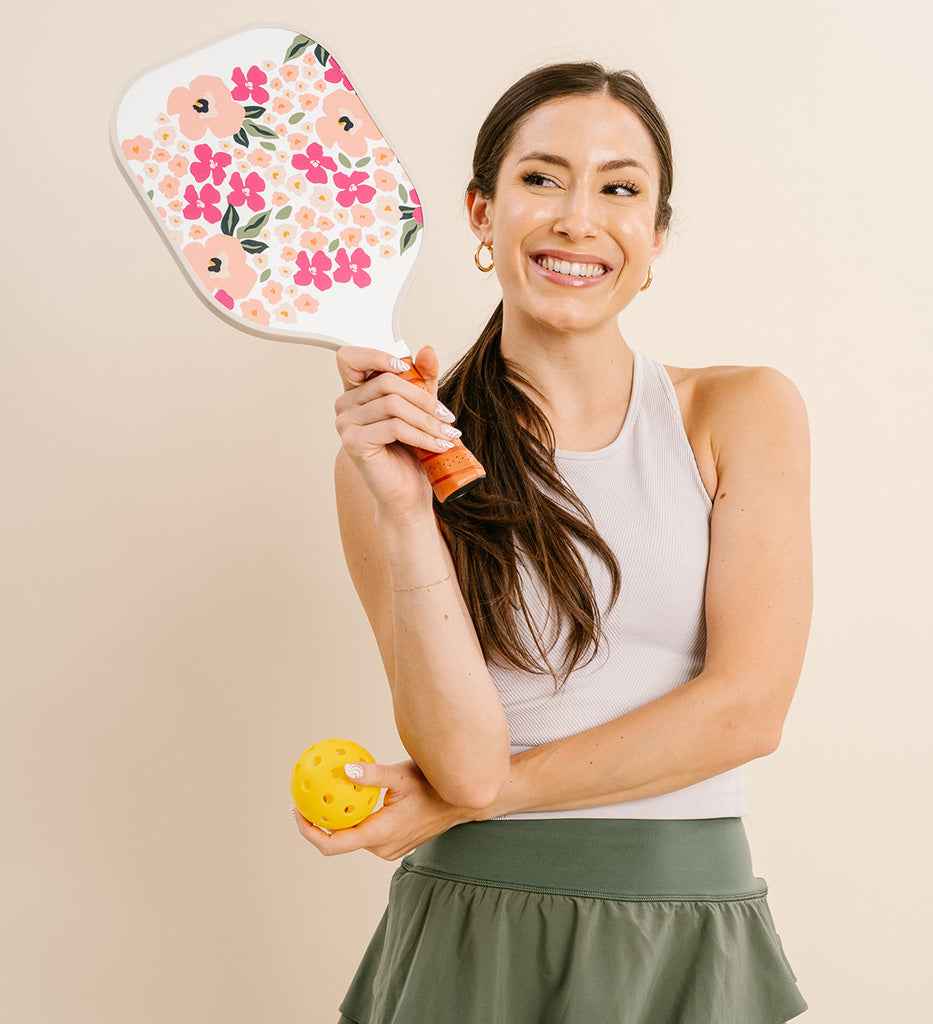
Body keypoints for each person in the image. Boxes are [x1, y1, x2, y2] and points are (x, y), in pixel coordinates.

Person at [294, 60, 812, 1024]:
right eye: (541, 178)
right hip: (471, 932)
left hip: (684, 926)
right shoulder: (394, 460)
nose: (579, 217)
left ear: (655, 236)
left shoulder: (742, 412)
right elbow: (463, 755)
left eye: (620, 188)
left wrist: (471, 798)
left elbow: (747, 711)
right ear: (481, 213)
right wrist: (409, 514)